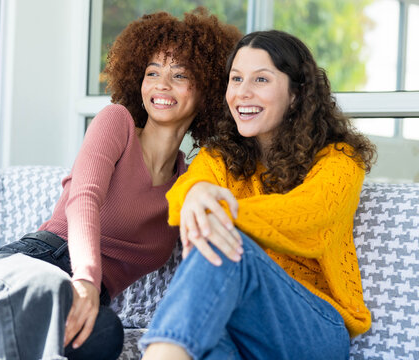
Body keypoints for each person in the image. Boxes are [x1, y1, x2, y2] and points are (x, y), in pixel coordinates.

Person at [0, 8, 241, 360]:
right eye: (152, 72)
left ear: (208, 89)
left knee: (103, 336)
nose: (161, 85)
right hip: (25, 268)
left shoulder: (190, 185)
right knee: (47, 292)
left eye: (179, 75)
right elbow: (84, 198)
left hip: (82, 300)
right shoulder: (116, 122)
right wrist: (86, 279)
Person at [140, 30, 377, 360]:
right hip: (239, 328)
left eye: (261, 80)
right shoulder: (219, 157)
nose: (242, 93)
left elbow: (311, 216)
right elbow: (183, 196)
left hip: (314, 329)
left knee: (224, 244)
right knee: (204, 343)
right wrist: (194, 193)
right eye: (236, 79)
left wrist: (218, 209)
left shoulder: (339, 160)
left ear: (296, 94)